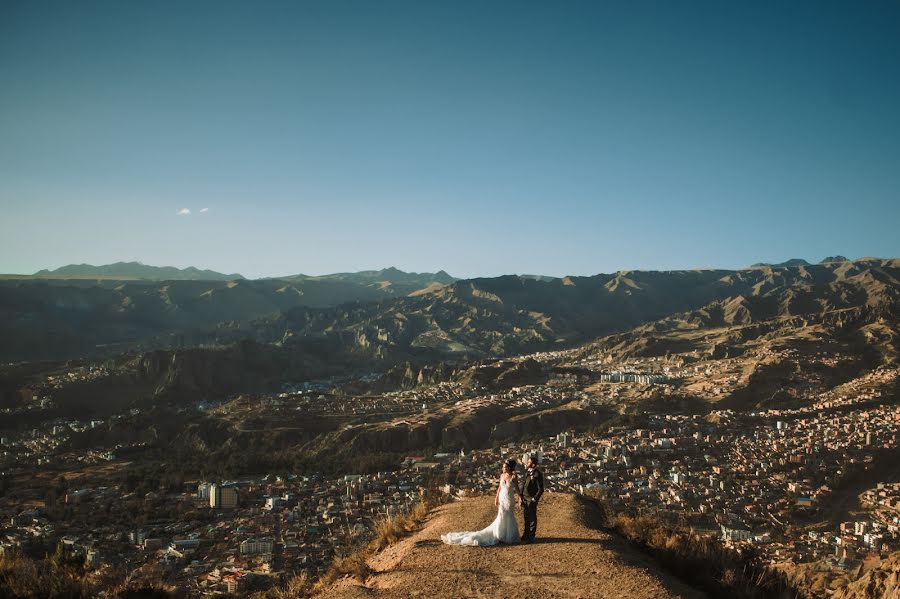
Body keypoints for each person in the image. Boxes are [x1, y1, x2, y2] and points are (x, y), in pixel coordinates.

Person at [441, 459, 521, 546]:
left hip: (509, 499)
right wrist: (496, 498)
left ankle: (508, 536)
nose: (503, 468)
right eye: (503, 467)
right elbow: (499, 488)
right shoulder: (502, 475)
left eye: (505, 467)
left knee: (509, 516)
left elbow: (517, 488)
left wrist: (520, 497)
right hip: (502, 498)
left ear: (509, 468)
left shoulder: (513, 476)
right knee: (501, 515)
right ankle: (501, 534)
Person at [520, 454, 544, 542]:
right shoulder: (527, 472)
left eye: (529, 462)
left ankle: (531, 536)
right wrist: (521, 496)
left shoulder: (537, 474)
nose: (527, 463)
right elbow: (524, 484)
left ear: (533, 464)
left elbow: (541, 489)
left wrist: (535, 498)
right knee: (526, 517)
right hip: (525, 498)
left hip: (531, 499)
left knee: (532, 518)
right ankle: (526, 535)